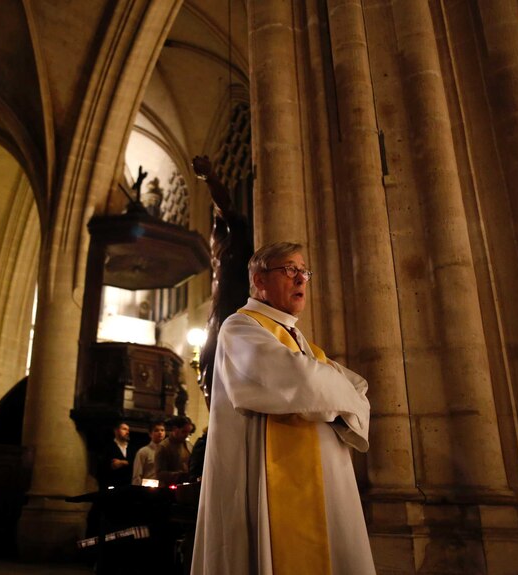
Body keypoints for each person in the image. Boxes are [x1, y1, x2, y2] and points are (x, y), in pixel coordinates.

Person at [191, 242, 375, 575]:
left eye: (304, 272)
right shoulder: (241, 327)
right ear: (259, 280)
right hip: (272, 482)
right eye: (289, 270)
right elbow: (302, 384)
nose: (301, 279)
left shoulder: (301, 342)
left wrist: (327, 392)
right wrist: (333, 396)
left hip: (325, 485)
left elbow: (358, 388)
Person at [192, 155, 253, 407]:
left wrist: (211, 178)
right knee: (207, 369)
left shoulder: (238, 236)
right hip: (216, 314)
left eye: (219, 223)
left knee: (225, 370)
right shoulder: (216, 248)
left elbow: (224, 206)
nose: (216, 227)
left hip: (233, 311)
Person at [155, 416, 194, 487]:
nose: (186, 435)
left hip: (184, 487)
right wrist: (179, 476)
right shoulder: (164, 446)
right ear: (174, 429)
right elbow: (159, 474)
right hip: (167, 489)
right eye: (184, 432)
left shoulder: (189, 446)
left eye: (188, 432)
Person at [97, 421, 135, 489]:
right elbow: (101, 467)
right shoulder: (107, 447)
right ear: (116, 431)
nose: (127, 432)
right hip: (112, 487)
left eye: (128, 430)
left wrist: (124, 462)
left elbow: (136, 464)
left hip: (128, 487)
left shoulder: (132, 448)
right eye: (124, 429)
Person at [131, 421, 166, 485]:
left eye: (162, 430)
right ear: (150, 434)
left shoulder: (167, 451)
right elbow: (137, 476)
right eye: (156, 430)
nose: (160, 433)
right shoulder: (143, 452)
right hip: (148, 489)